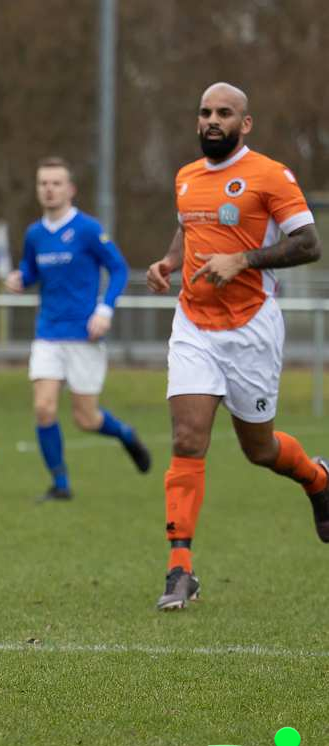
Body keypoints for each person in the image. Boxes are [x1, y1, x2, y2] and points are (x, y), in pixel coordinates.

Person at [146, 82, 326, 611]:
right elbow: (188, 231)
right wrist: (168, 263)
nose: (212, 120)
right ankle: (180, 570)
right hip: (194, 324)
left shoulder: (271, 175)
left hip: (251, 329)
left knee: (259, 450)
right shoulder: (185, 178)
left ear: (244, 124)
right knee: (187, 437)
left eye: (224, 113)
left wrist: (243, 261)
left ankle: (317, 477)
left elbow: (309, 245)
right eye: (205, 112)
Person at [5, 157, 151, 501]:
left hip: (86, 335)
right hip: (48, 334)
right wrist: (19, 279)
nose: (49, 189)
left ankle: (126, 435)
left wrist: (104, 309)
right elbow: (30, 270)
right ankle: (60, 484)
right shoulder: (34, 234)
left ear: (70, 189)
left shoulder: (87, 229)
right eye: (43, 183)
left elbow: (118, 269)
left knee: (86, 418)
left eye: (56, 183)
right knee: (43, 408)